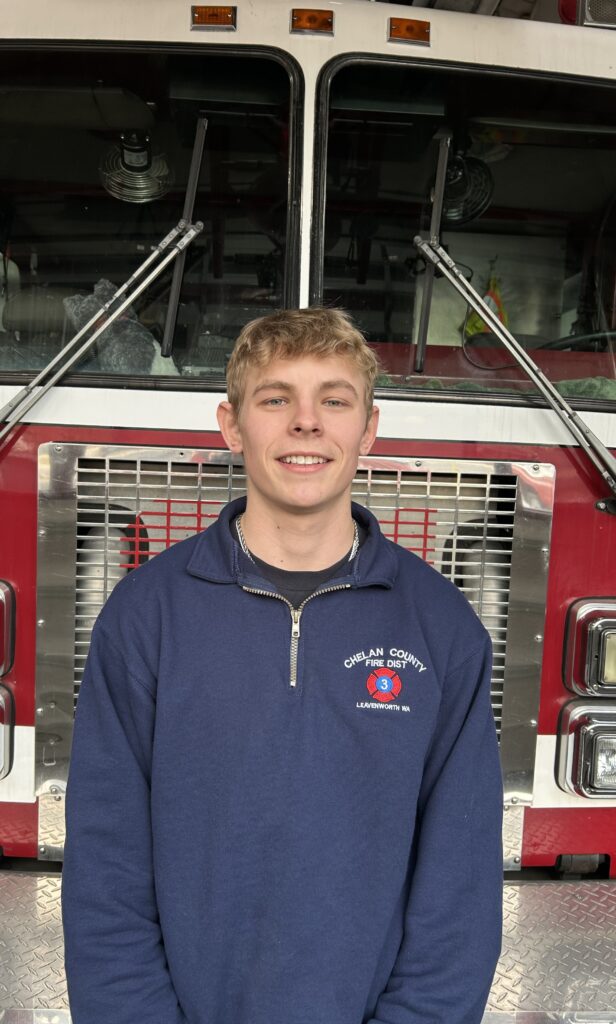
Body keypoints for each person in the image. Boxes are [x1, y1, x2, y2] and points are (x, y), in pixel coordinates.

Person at [62, 306, 503, 1024]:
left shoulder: (443, 629)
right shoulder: (144, 618)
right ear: (231, 426)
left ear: (369, 429)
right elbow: (105, 873)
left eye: (335, 401)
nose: (306, 423)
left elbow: (461, 888)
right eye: (275, 399)